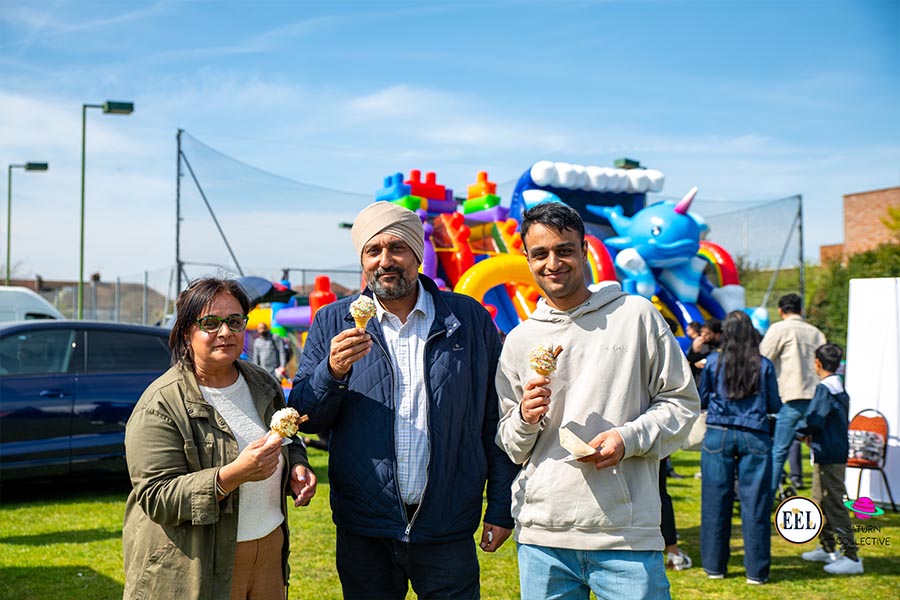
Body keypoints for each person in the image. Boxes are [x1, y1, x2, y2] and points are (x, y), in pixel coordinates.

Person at [290, 201, 519, 599]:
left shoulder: (467, 319)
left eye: (397, 248)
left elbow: (494, 418)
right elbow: (307, 417)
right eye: (373, 251)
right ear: (362, 260)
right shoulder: (332, 321)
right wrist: (332, 371)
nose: (385, 261)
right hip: (365, 527)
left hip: (447, 524)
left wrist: (500, 507)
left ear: (417, 254)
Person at [494, 202, 699, 600]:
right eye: (540, 254)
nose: (553, 263)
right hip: (542, 537)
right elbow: (511, 444)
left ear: (585, 250)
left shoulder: (636, 316)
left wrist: (628, 438)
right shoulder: (520, 339)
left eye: (564, 250)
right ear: (527, 259)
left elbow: (681, 403)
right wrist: (524, 417)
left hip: (625, 536)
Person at [123, 277, 317, 599]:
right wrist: (234, 474)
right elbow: (157, 497)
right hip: (198, 562)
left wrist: (297, 465)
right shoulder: (161, 404)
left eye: (235, 321)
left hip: (269, 551)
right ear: (186, 332)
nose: (225, 332)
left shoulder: (263, 383)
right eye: (210, 323)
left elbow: (287, 438)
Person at [698, 310, 781, 584]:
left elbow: (702, 398)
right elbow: (774, 404)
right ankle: (756, 572)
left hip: (718, 433)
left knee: (714, 502)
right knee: (755, 504)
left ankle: (714, 567)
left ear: (726, 334)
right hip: (754, 434)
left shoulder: (713, 362)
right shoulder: (764, 364)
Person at [796, 343, 863, 575]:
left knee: (834, 503)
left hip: (830, 454)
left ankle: (852, 556)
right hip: (827, 451)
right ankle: (827, 547)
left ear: (817, 362)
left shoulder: (825, 389)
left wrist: (798, 431)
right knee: (819, 500)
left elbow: (814, 419)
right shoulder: (838, 387)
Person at [760, 293, 826, 494]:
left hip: (790, 397)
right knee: (821, 452)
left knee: (779, 451)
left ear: (780, 311)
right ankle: (822, 496)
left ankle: (767, 498)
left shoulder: (779, 329)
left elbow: (763, 359)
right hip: (817, 398)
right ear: (801, 310)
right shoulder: (816, 333)